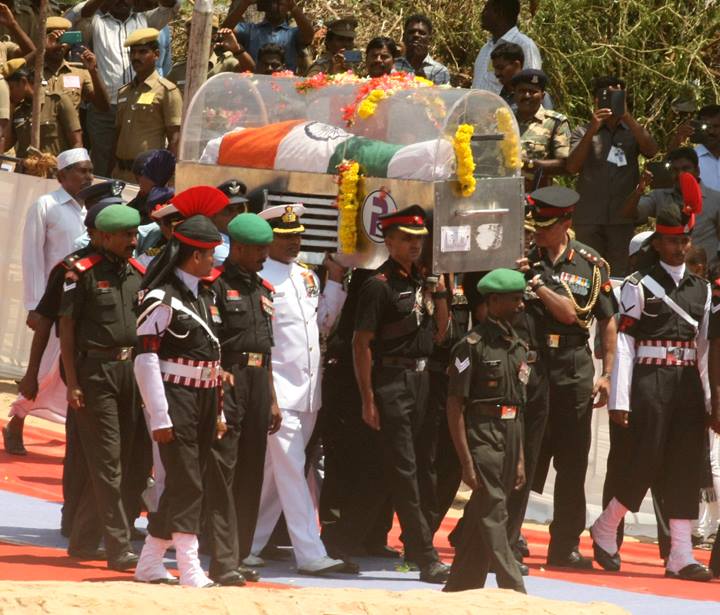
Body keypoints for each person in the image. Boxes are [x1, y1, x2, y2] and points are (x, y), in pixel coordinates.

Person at [591, 199, 713, 582]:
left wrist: (710, 398)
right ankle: (607, 525)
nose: (679, 248)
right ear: (658, 242)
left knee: (685, 465)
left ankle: (680, 552)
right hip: (649, 379)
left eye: (684, 241)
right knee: (643, 460)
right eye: (672, 241)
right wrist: (620, 397)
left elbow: (706, 348)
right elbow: (624, 344)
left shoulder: (702, 290)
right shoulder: (638, 285)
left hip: (687, 383)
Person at [339, 205, 450, 584]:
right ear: (389, 241)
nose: (415, 244)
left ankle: (339, 541)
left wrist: (442, 292)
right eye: (407, 238)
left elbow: (439, 335)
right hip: (390, 382)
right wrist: (368, 397)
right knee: (405, 471)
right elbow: (361, 344)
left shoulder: (421, 282)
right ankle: (424, 555)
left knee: (385, 468)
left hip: (420, 383)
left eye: (419, 238)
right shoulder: (378, 284)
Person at [248, 205, 348, 574]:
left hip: (308, 391)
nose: (294, 241)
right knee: (291, 470)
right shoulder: (260, 279)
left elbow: (322, 325)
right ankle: (310, 553)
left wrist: (335, 283)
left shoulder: (306, 275)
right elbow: (263, 342)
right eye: (286, 235)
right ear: (267, 238)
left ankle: (248, 543)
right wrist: (270, 395)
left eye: (297, 235)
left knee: (276, 475)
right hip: (280, 391)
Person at [523, 186, 617, 569]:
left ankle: (564, 546)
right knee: (525, 455)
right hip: (533, 363)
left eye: (544, 225)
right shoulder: (524, 259)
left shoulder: (592, 265)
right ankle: (508, 534)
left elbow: (608, 321)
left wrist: (607, 373)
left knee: (573, 460)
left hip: (574, 366)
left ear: (565, 224)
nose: (537, 232)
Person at [133, 210, 225, 587]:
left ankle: (149, 562)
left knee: (185, 481)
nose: (214, 261)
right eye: (210, 254)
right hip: (176, 398)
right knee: (188, 482)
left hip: (204, 398)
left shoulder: (205, 296)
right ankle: (189, 566)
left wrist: (217, 409)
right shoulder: (162, 298)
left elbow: (213, 358)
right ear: (195, 255)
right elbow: (146, 357)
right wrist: (159, 416)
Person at [59, 204, 145, 571]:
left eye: (134, 234)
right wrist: (72, 382)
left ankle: (82, 541)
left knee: (120, 460)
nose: (133, 241)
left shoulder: (137, 273)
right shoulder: (80, 273)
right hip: (95, 373)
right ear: (105, 237)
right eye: (126, 235)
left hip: (129, 371)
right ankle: (118, 546)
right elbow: (66, 331)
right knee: (108, 462)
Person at [443, 268, 529, 593]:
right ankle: (515, 588)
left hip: (510, 437)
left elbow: (518, 407)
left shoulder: (517, 346)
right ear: (493, 301)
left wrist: (519, 459)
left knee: (481, 515)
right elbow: (455, 407)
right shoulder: (471, 346)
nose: (521, 306)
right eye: (515, 299)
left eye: (522, 299)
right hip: (483, 436)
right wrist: (465, 461)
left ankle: (459, 589)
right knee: (493, 512)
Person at [3, 149, 93, 456]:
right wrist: (34, 306)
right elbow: (32, 257)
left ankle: (75, 436)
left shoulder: (92, 210)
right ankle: (17, 419)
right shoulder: (46, 205)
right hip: (52, 305)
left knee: (73, 371)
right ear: (62, 176)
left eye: (90, 170)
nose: (88, 176)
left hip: (84, 305)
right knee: (46, 369)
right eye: (81, 171)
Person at [204, 212, 277, 586]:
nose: (265, 255)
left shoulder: (263, 290)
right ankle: (222, 558)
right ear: (240, 248)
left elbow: (267, 349)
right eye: (259, 250)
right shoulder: (214, 286)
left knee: (252, 471)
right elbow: (211, 344)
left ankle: (241, 553)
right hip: (229, 380)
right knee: (225, 470)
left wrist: (274, 400)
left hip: (259, 381)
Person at [64, 0, 180, 176]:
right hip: (105, 107)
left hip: (141, 105)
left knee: (141, 157)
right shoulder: (96, 22)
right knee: (103, 163)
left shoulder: (145, 19)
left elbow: (171, 6)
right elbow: (79, 15)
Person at [566, 76, 659, 277]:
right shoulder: (582, 130)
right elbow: (572, 167)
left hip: (621, 218)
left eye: (618, 95)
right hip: (588, 217)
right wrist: (593, 129)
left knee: (618, 274)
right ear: (596, 100)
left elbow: (652, 150)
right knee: (587, 273)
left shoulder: (632, 130)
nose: (612, 99)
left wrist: (627, 117)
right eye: (607, 95)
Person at [623, 148, 720, 267]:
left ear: (697, 170)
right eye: (675, 170)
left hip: (704, 273)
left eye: (685, 169)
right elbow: (628, 214)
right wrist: (639, 190)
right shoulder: (659, 196)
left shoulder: (716, 200)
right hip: (666, 275)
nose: (680, 174)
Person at [112, 28, 182, 182]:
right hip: (120, 173)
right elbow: (118, 134)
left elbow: (175, 139)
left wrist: (166, 176)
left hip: (148, 175)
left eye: (143, 52)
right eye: (133, 52)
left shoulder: (167, 90)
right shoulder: (124, 92)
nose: (136, 57)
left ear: (156, 55)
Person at [4, 58, 82, 157]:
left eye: (11, 88)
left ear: (23, 82)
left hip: (53, 169)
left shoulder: (57, 101)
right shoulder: (17, 110)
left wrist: (71, 169)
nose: (9, 93)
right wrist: (10, 110)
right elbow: (6, 145)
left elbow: (77, 143)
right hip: (24, 170)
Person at [512, 69, 570, 192]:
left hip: (537, 197)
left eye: (532, 92)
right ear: (514, 93)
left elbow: (565, 165)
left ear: (542, 96)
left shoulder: (555, 122)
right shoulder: (504, 120)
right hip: (503, 194)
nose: (527, 96)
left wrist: (531, 164)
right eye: (522, 91)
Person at [166, 17, 255, 95]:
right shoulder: (177, 71)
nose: (195, 39)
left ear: (214, 37)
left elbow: (250, 71)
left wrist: (236, 49)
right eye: (191, 34)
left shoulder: (227, 64)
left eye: (200, 34)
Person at [42, 16, 110, 114]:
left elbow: (104, 107)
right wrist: (43, 48)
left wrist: (93, 72)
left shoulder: (79, 72)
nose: (60, 45)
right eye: (54, 39)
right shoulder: (33, 72)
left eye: (64, 39)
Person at [225, 0, 314, 73]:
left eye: (280, 4)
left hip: (285, 86)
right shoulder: (250, 30)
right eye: (271, 2)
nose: (275, 7)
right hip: (253, 86)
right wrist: (245, 3)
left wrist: (293, 7)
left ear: (287, 7)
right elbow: (225, 31)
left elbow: (309, 36)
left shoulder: (293, 34)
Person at [472, 0, 541, 93]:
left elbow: (531, 89)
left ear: (499, 13)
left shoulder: (525, 46)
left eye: (486, 10)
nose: (482, 14)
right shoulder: (486, 48)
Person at [670, 105, 720, 192]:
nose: (711, 131)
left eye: (716, 127)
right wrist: (677, 140)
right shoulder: (689, 160)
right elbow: (667, 177)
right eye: (707, 127)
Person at [394, 14, 449, 85]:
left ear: (430, 39)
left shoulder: (440, 71)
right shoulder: (393, 65)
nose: (416, 35)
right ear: (404, 37)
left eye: (422, 33)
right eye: (411, 32)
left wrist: (423, 80)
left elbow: (441, 95)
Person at [212, 179, 248, 265]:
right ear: (214, 214)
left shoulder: (240, 239)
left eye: (240, 208)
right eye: (228, 209)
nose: (236, 215)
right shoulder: (215, 247)